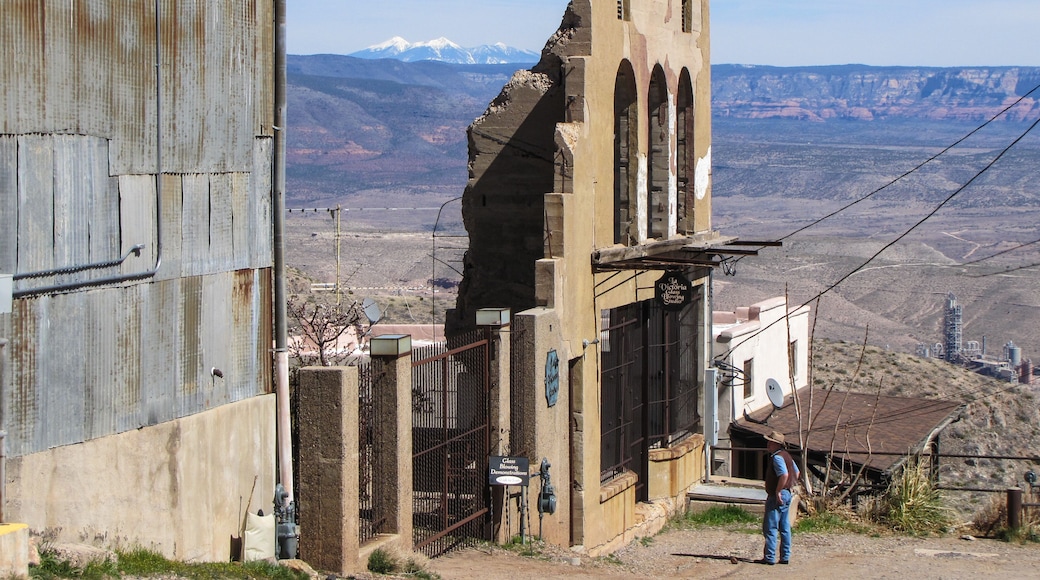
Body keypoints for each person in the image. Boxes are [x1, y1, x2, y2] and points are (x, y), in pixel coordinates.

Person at [759, 430, 799, 565]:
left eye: (771, 442)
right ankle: (785, 556)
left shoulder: (777, 457)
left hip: (779, 494)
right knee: (784, 525)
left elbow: (784, 475)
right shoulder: (787, 455)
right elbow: (797, 472)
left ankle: (769, 557)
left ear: (776, 445)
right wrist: (789, 486)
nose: (768, 444)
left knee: (771, 526)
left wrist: (778, 491)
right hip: (788, 492)